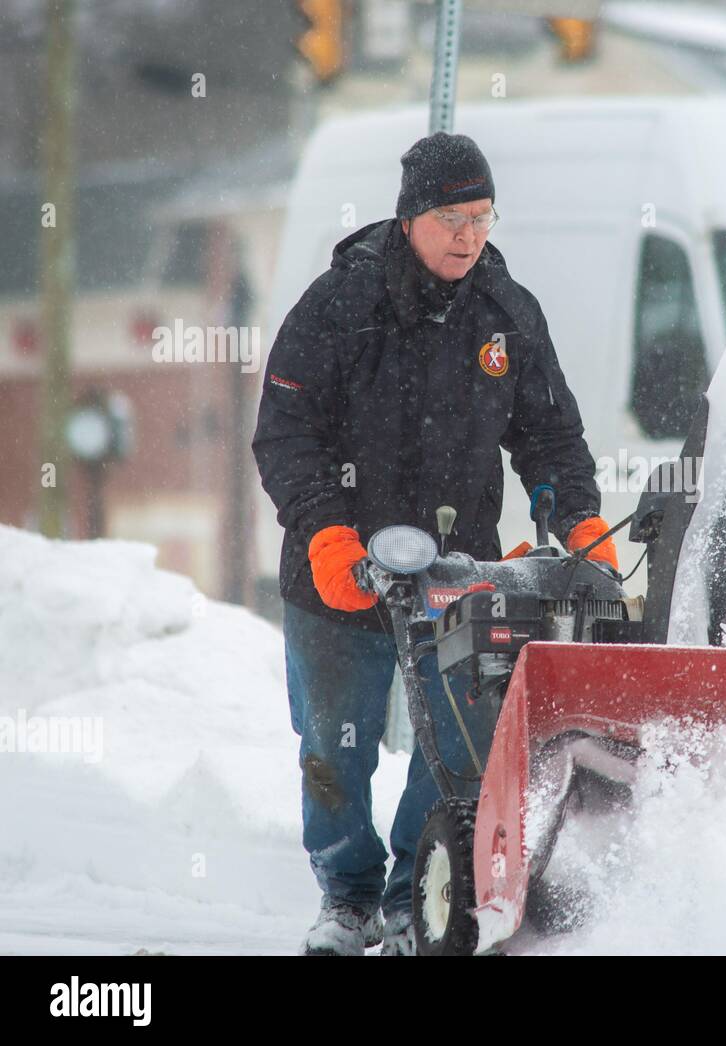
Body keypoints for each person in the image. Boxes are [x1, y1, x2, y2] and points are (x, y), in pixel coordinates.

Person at [252, 132, 617, 955]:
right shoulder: (338, 306)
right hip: (340, 572)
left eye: (483, 217)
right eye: (452, 217)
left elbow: (551, 440)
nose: (469, 236)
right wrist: (323, 531)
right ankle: (345, 897)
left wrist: (578, 518)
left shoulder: (507, 314)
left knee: (455, 748)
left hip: (458, 577)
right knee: (333, 749)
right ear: (412, 215)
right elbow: (286, 435)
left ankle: (412, 891)